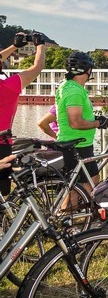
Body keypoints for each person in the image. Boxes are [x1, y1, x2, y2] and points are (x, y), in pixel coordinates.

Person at [55, 51, 108, 197]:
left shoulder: (69, 86)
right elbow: (76, 122)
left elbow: (78, 115)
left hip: (77, 143)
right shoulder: (74, 91)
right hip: (77, 145)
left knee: (80, 186)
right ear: (88, 70)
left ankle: (74, 216)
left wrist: (96, 119)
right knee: (86, 185)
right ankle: (76, 215)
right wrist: (97, 123)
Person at [0, 32, 47, 196]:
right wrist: (40, 44)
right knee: (2, 196)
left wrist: (14, 46)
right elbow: (37, 67)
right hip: (2, 143)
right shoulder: (8, 87)